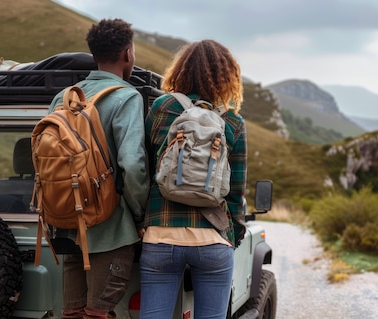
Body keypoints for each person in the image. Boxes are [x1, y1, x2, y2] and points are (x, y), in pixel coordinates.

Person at [49, 18, 150, 319]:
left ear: (94, 54)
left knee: (73, 313)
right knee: (97, 314)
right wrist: (139, 214)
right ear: (128, 54)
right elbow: (132, 164)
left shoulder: (63, 97)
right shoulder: (126, 97)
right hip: (111, 227)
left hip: (69, 224)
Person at [140, 40, 247, 319]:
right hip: (212, 239)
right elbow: (236, 190)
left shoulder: (162, 108)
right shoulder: (233, 121)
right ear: (227, 77)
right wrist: (230, 235)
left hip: (160, 235)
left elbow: (146, 169)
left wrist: (143, 222)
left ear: (181, 70)